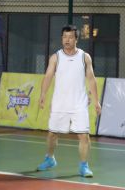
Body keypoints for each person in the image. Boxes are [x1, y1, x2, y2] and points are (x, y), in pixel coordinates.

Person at [36, 24, 101, 178]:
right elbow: (48, 76)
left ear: (76, 39)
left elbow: (91, 79)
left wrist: (96, 101)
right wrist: (43, 94)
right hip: (60, 103)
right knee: (52, 134)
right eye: (64, 37)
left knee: (84, 136)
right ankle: (50, 159)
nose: (67, 40)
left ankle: (84, 166)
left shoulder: (84, 57)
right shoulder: (56, 57)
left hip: (79, 104)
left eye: (70, 37)